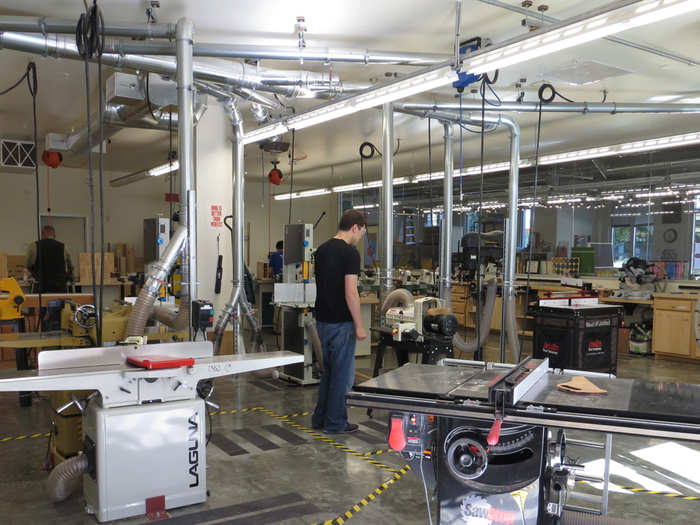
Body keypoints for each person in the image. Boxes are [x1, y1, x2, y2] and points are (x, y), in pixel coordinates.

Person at [312, 209, 367, 434]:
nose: (361, 237)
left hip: (322, 320)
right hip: (341, 322)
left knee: (328, 372)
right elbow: (351, 293)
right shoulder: (350, 253)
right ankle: (336, 423)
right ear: (355, 228)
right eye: (362, 232)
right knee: (342, 375)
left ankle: (320, 419)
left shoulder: (321, 250)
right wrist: (360, 324)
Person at [25, 225, 74, 293]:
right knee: (60, 303)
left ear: (41, 235)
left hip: (41, 287)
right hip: (60, 287)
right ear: (54, 235)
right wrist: (70, 277)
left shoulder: (34, 246)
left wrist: (31, 275)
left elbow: (28, 264)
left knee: (40, 303)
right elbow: (71, 266)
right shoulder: (63, 247)